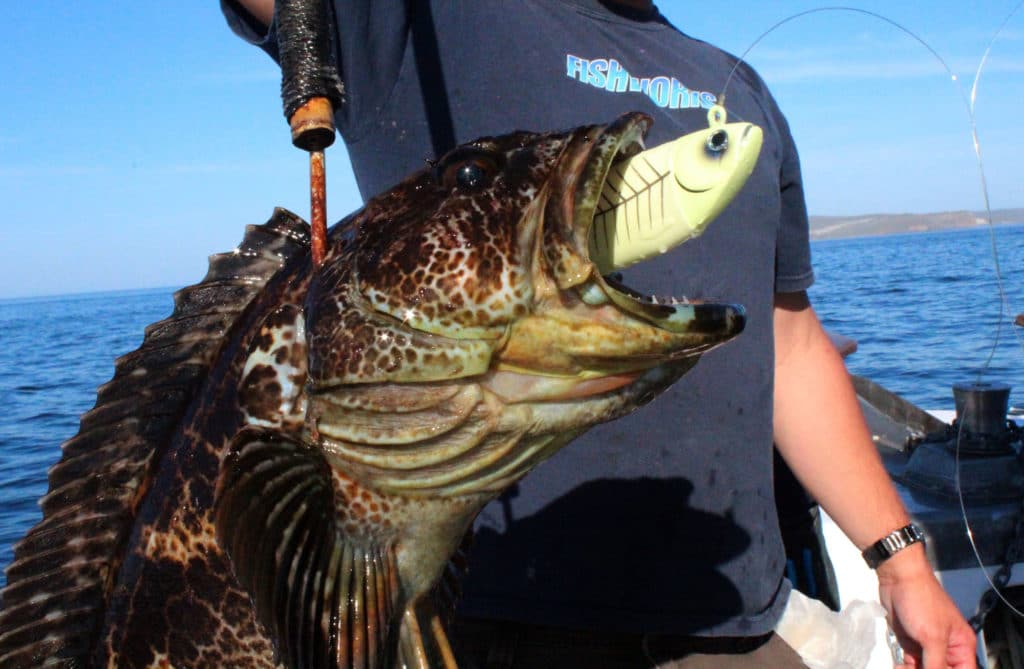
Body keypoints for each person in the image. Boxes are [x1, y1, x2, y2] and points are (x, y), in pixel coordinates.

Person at [223, 1, 977, 667]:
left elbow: (789, 342)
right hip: (492, 623)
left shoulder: (739, 90)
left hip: (735, 623)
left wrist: (902, 562)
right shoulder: (420, 24)